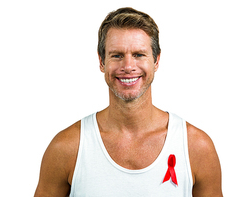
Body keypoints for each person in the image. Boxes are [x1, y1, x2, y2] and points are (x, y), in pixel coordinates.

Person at [34, 7, 222, 197]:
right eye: (117, 55)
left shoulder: (195, 147)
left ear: (156, 60)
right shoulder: (67, 148)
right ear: (101, 61)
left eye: (139, 55)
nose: (128, 66)